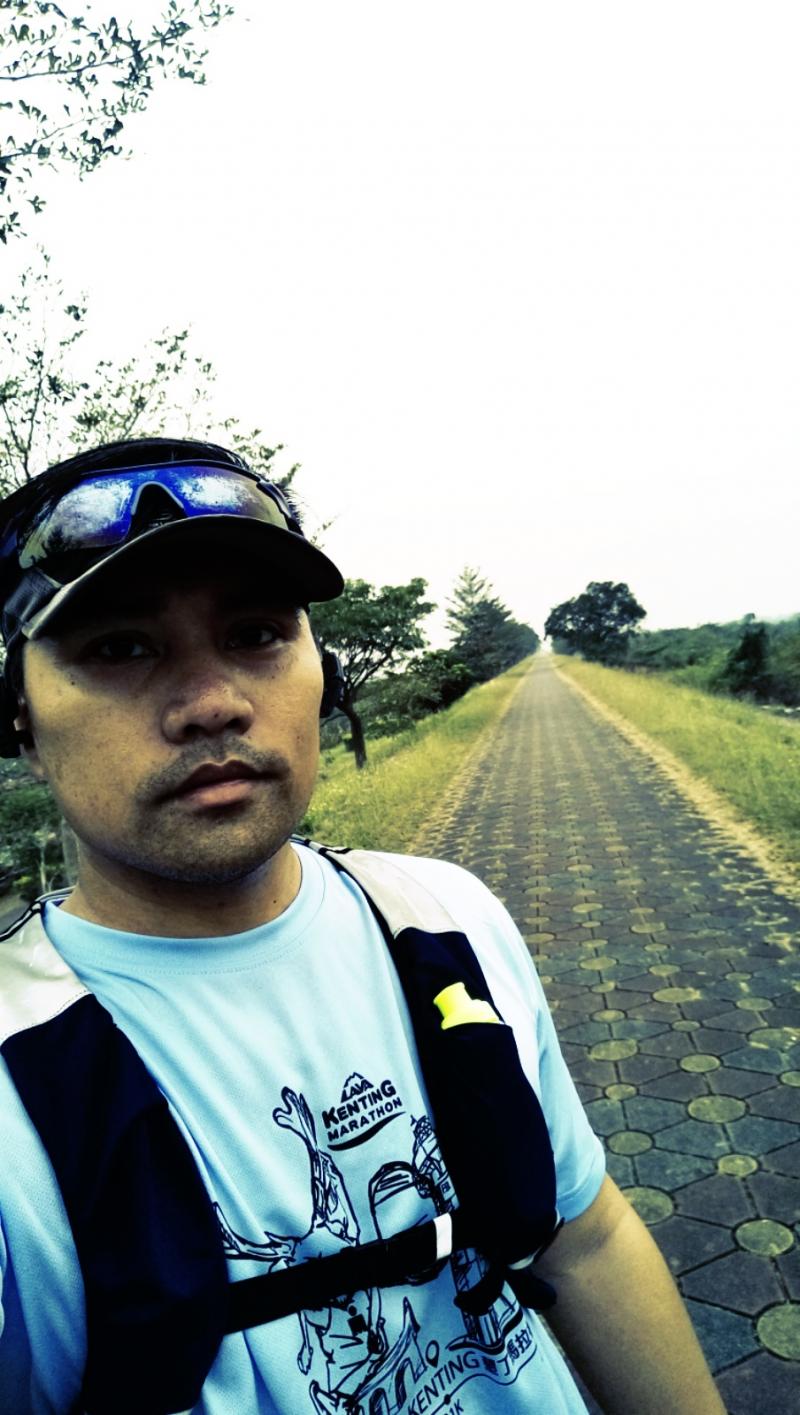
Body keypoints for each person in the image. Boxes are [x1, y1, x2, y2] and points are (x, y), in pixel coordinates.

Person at [0, 437, 725, 1415]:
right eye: (120, 647)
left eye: (256, 632)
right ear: (20, 720)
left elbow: (585, 1235)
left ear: (324, 671)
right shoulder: (19, 1080)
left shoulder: (443, 918)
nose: (212, 703)